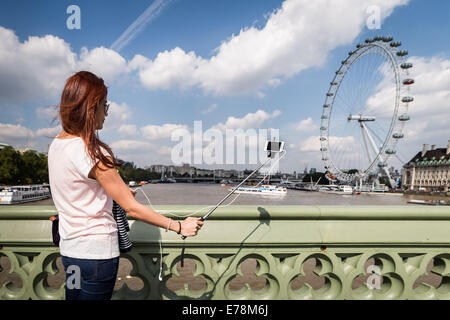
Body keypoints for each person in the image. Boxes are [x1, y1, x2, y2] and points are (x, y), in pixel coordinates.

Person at [48, 71, 203, 300]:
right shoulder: (91, 151)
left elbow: (75, 189)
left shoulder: (56, 145)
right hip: (97, 257)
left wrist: (112, 192)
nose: (106, 113)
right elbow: (131, 209)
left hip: (70, 251)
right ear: (92, 107)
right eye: (105, 106)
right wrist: (179, 227)